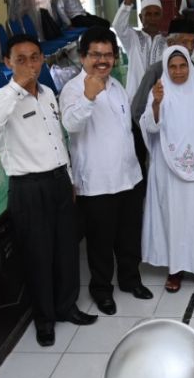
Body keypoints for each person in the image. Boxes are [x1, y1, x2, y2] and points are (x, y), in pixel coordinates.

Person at [0, 34, 96, 347]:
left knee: (66, 249)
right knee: (38, 256)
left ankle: (67, 306)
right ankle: (44, 320)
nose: (29, 65)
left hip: (58, 181)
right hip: (28, 187)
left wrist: (69, 178)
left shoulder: (47, 95)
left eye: (34, 58)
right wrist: (16, 86)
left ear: (43, 59)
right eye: (20, 59)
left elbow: (59, 140)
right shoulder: (1, 99)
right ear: (7, 63)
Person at [59, 27, 152, 316]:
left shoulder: (117, 86)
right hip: (97, 182)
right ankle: (101, 290)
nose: (102, 60)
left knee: (129, 236)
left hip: (128, 177)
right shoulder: (73, 90)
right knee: (100, 242)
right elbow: (71, 125)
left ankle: (130, 280)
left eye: (108, 54)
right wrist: (88, 97)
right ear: (83, 57)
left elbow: (126, 130)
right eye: (95, 55)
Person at [141, 46, 194, 294]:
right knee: (174, 219)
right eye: (173, 67)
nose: (178, 71)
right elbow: (151, 128)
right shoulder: (159, 92)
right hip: (168, 170)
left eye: (183, 65)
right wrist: (156, 104)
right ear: (166, 69)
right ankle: (175, 270)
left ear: (190, 66)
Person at [113, 0, 167, 106]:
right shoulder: (132, 37)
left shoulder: (168, 42)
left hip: (159, 99)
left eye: (156, 14)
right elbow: (118, 25)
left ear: (161, 16)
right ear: (140, 17)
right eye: (148, 14)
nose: (152, 18)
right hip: (134, 99)